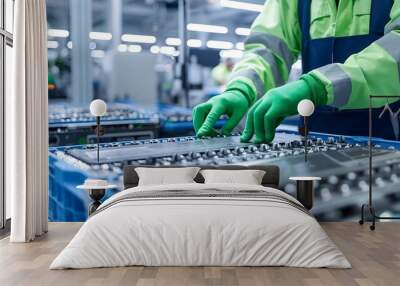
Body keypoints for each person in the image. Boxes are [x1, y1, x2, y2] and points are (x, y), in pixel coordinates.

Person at [193, 0, 400, 143]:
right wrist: (241, 88)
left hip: (389, 137)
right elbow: (269, 47)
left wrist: (317, 87)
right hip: (314, 140)